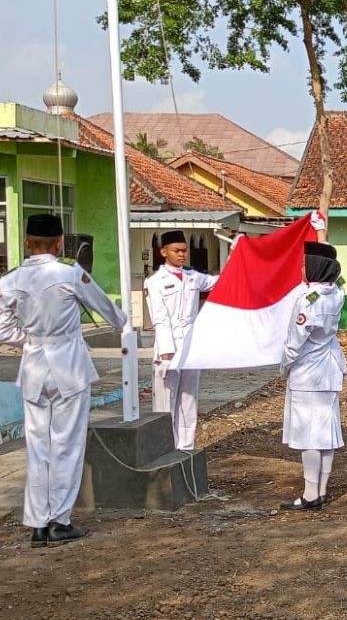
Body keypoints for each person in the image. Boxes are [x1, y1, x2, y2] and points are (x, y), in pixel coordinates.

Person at [0, 213, 127, 547]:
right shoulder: (71, 274)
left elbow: (2, 329)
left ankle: (37, 525)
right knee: (68, 445)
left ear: (26, 242)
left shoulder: (10, 280)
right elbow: (111, 314)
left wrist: (28, 338)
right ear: (59, 243)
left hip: (33, 367)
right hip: (68, 366)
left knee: (38, 446)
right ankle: (60, 521)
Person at [279, 241, 347, 510]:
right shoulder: (337, 293)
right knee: (326, 434)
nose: (301, 268)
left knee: (309, 436)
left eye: (306, 263)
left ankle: (309, 494)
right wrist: (322, 235)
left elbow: (295, 342)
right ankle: (320, 490)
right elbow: (337, 278)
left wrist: (284, 365)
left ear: (317, 268)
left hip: (308, 374)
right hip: (330, 370)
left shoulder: (309, 302)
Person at [143, 230, 218, 450]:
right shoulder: (155, 282)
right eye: (177, 251)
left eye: (184, 250)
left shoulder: (193, 277)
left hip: (191, 347)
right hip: (169, 349)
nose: (182, 255)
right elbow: (160, 319)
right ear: (163, 252)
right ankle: (166, 448)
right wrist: (167, 353)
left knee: (188, 400)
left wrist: (236, 255)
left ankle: (186, 447)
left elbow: (219, 282)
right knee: (166, 403)